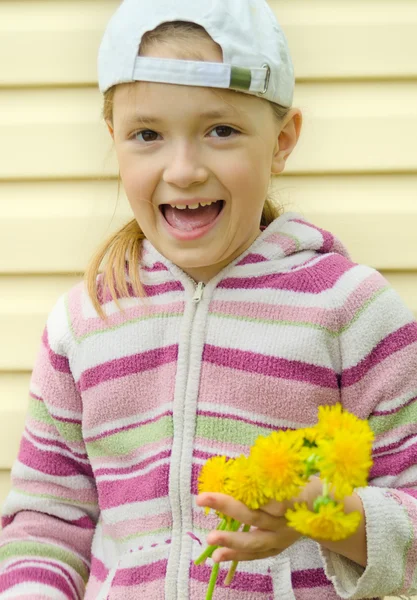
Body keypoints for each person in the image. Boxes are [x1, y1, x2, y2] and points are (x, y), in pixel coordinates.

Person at [0, 0, 416, 598]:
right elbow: (45, 521)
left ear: (283, 139)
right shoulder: (86, 320)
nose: (185, 169)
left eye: (221, 130)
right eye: (147, 134)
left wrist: (327, 514)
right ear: (113, 139)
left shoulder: (354, 313)